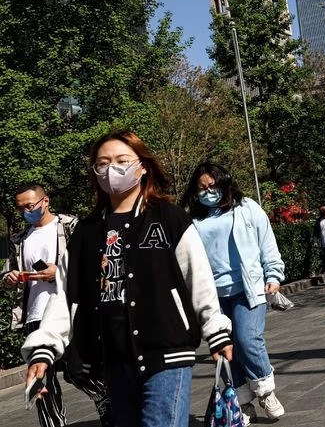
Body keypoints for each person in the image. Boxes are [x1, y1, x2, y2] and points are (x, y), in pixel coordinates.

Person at [22, 130, 233, 427]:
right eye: (103, 163)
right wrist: (44, 348)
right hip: (113, 360)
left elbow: (197, 278)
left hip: (166, 352)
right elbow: (64, 297)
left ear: (142, 165)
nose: (113, 170)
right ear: (95, 172)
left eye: (122, 160)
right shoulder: (87, 231)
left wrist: (216, 329)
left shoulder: (168, 218)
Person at [180, 161, 286, 421]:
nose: (208, 191)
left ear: (224, 183)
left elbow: (266, 242)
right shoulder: (192, 219)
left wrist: (273, 274)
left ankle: (265, 390)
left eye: (212, 186)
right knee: (226, 350)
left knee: (248, 339)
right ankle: (242, 402)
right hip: (213, 295)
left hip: (247, 288)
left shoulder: (247, 207)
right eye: (202, 188)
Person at [3, 183, 112, 427]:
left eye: (30, 206)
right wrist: (10, 278)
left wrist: (62, 272)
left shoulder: (71, 226)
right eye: (21, 208)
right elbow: (7, 272)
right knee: (41, 381)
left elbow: (97, 262)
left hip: (68, 311)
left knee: (78, 371)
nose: (25, 212)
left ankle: (108, 401)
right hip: (33, 315)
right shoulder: (19, 239)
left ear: (45, 201)